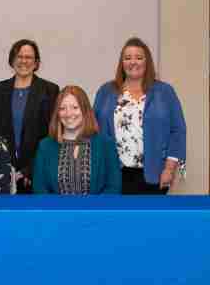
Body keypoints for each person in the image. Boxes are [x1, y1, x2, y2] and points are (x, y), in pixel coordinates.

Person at [94, 37, 186, 194]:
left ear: (147, 62)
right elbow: (93, 129)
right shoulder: (106, 91)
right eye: (127, 58)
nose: (133, 62)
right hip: (114, 175)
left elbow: (178, 131)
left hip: (155, 174)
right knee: (118, 218)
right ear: (122, 63)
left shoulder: (164, 92)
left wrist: (169, 169)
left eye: (139, 57)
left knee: (151, 218)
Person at [0, 39, 59, 194]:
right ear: (12, 60)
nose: (24, 61)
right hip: (3, 173)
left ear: (36, 62)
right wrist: (5, 168)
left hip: (38, 173)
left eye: (29, 57)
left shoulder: (50, 91)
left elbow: (52, 134)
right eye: (19, 56)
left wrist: (30, 170)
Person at [33, 86, 121, 194]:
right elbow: (39, 189)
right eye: (62, 108)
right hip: (56, 210)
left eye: (75, 107)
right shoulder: (45, 146)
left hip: (97, 210)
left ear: (85, 110)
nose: (68, 113)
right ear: (57, 113)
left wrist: (92, 209)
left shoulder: (106, 144)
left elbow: (113, 187)